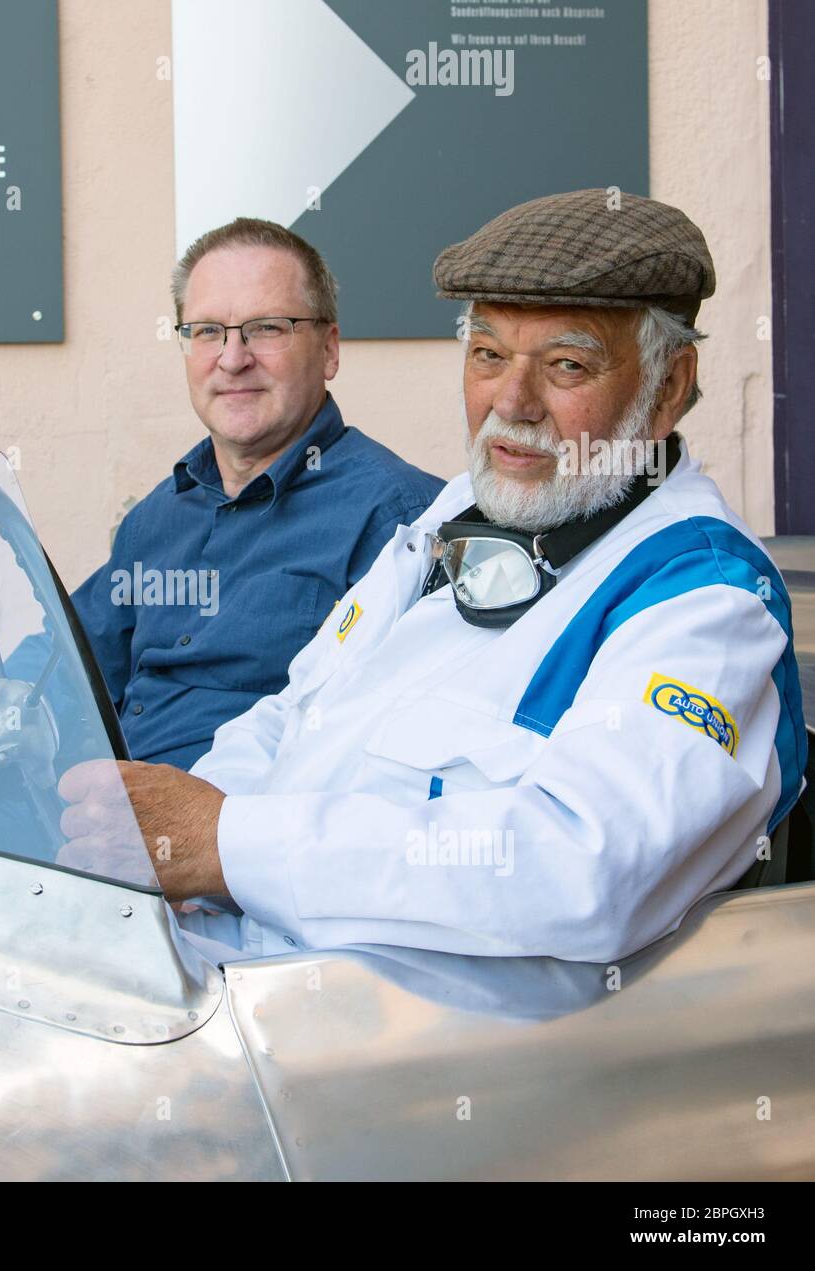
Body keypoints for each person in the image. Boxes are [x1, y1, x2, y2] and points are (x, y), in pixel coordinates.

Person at [57, 189, 807, 965]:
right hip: (239, 968)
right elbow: (295, 713)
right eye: (487, 355)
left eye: (566, 365)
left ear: (669, 386)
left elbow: (584, 870)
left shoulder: (704, 599)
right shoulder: (459, 509)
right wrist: (177, 840)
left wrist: (228, 844)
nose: (511, 403)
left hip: (405, 1060)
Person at [0, 218, 442, 829]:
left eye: (267, 329)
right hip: (94, 830)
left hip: (223, 883)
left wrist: (212, 850)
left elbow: (382, 763)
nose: (233, 358)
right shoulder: (159, 517)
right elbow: (66, 653)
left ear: (329, 349)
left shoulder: (402, 522)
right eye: (207, 331)